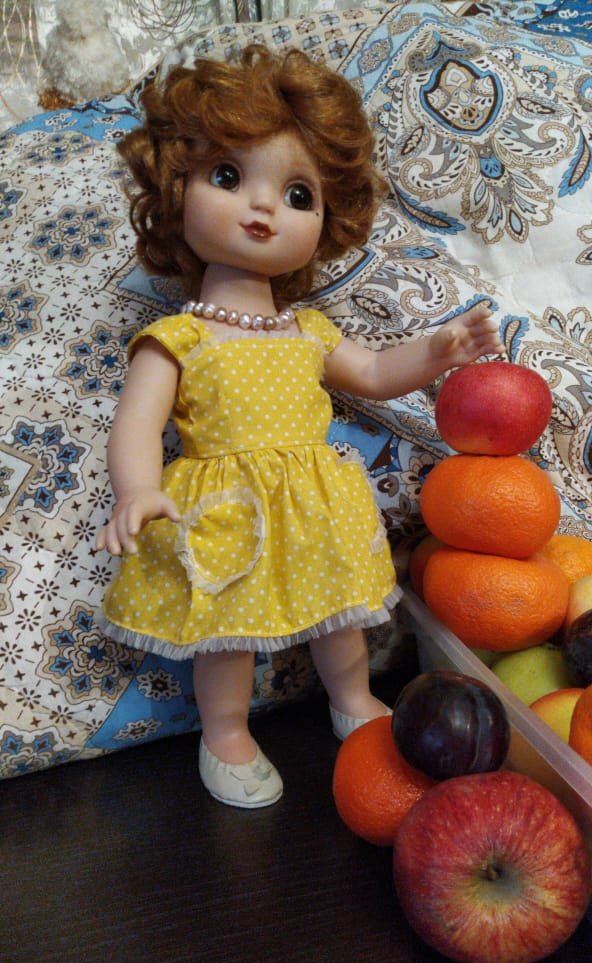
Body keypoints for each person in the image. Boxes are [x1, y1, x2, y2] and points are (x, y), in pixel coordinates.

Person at [97, 46, 502, 808]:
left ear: (327, 218)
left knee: (337, 619)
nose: (261, 209)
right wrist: (137, 490)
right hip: (225, 510)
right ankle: (225, 733)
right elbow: (137, 425)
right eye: (227, 177)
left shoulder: (307, 330)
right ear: (175, 190)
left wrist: (437, 350)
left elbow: (374, 372)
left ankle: (351, 701)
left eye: (296, 194)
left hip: (315, 505)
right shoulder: (178, 338)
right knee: (226, 632)